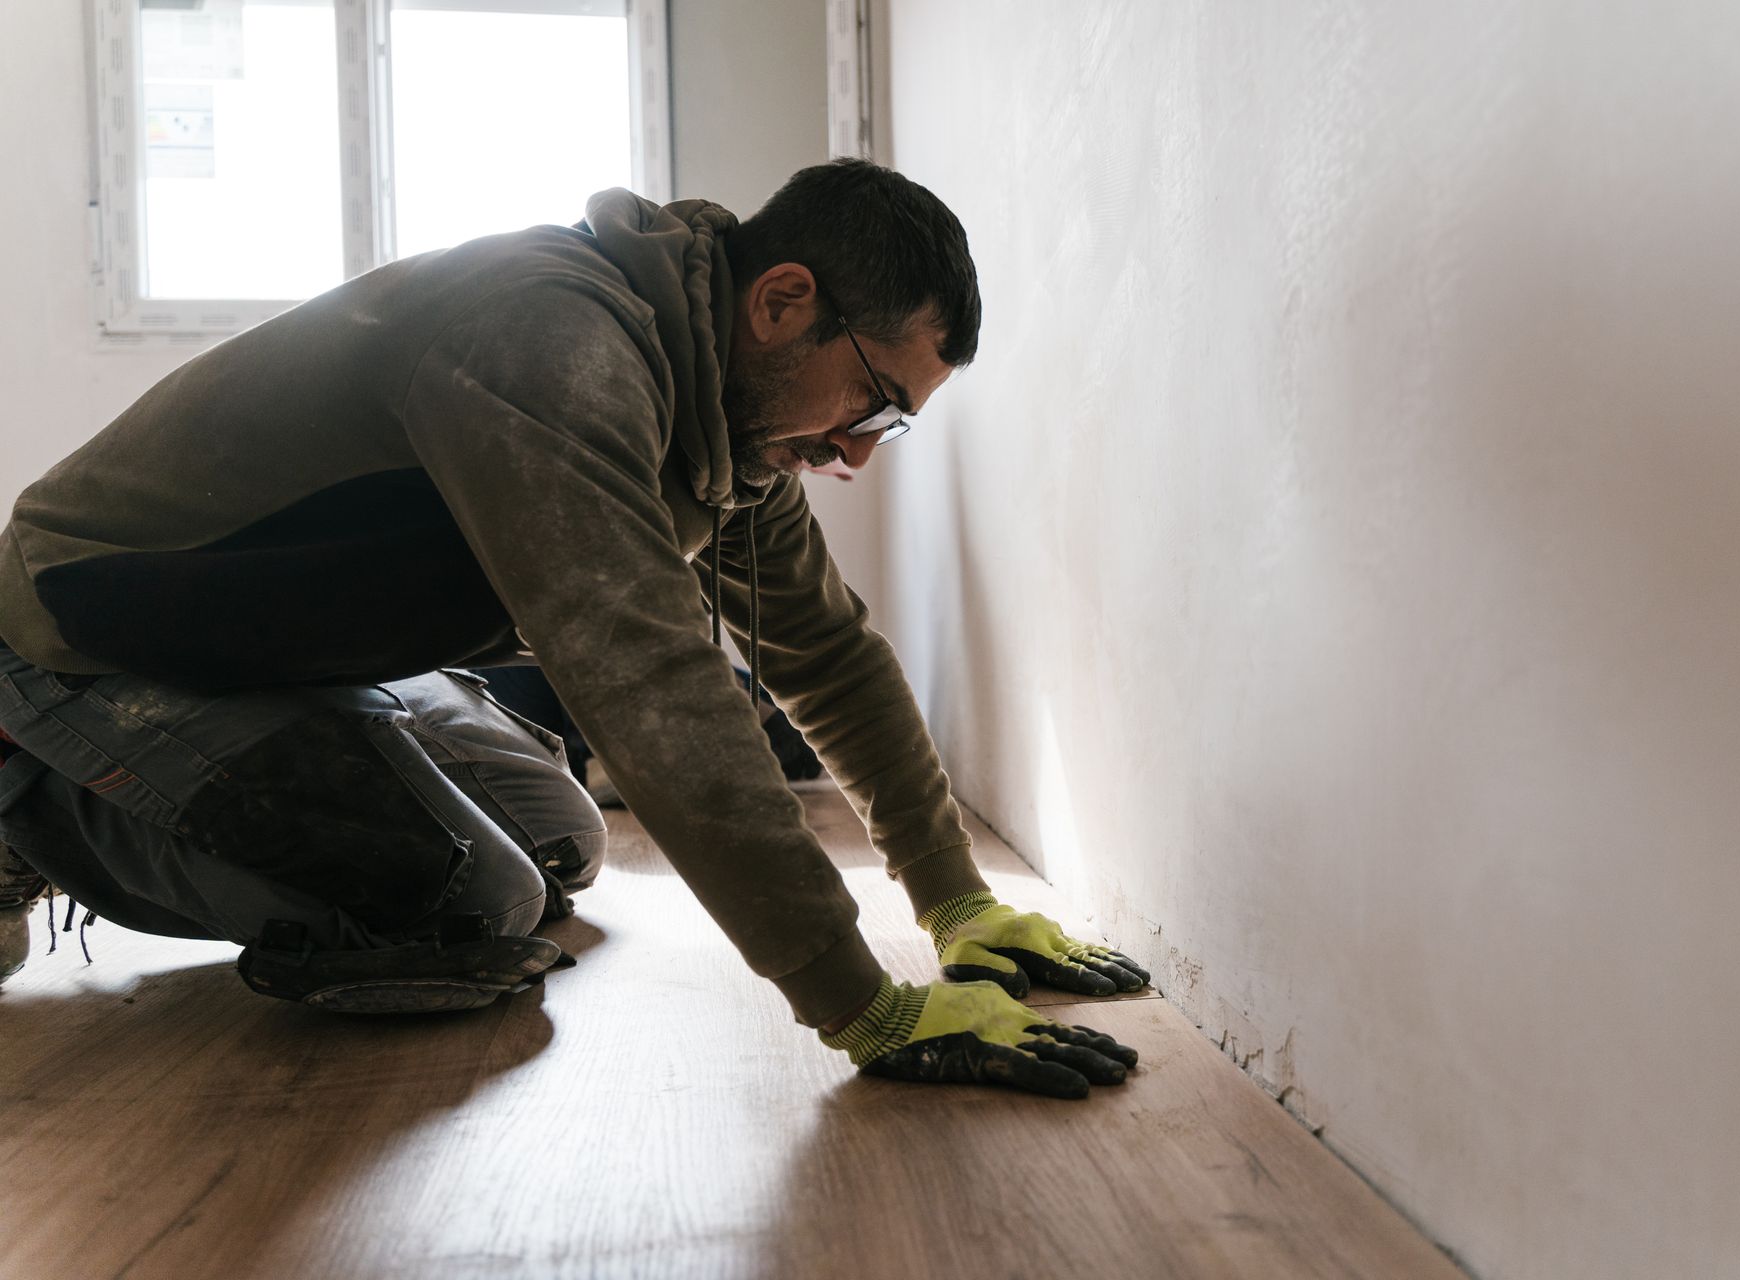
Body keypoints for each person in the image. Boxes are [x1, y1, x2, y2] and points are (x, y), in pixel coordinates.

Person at [0, 160, 1148, 1099]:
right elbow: (652, 683)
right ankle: (29, 809)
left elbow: (827, 654)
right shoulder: (549, 348)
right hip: (82, 632)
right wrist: (862, 1003)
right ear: (783, 301)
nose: (856, 452)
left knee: (562, 838)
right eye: (877, 405)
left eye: (888, 431)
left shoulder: (725, 422)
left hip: (279, 653)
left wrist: (957, 898)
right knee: (466, 900)